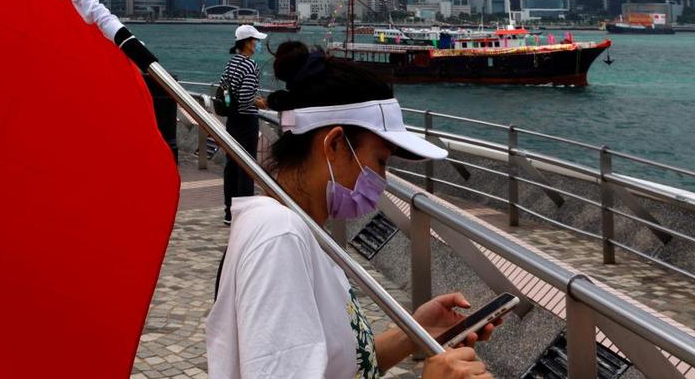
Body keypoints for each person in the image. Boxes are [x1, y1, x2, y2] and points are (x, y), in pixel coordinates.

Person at [207, 41, 496, 379]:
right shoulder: (279, 238)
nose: (382, 180)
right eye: (380, 161)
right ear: (334, 144)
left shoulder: (303, 231)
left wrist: (414, 331)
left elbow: (340, 368)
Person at [218, 24, 268, 226]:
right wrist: (260, 102)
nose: (257, 44)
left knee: (232, 165)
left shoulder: (232, 63)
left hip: (232, 120)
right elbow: (247, 97)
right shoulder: (250, 66)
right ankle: (245, 213)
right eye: (255, 41)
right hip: (246, 120)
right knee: (247, 167)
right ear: (247, 43)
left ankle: (229, 212)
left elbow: (224, 87)